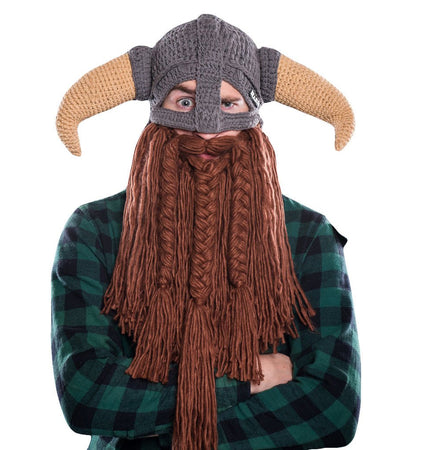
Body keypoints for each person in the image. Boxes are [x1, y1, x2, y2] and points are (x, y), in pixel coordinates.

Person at [52, 14, 360, 449]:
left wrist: (157, 419)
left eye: (229, 104)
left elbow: (333, 408)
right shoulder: (94, 229)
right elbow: (86, 395)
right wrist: (252, 379)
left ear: (253, 116)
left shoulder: (308, 234)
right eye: (185, 102)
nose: (207, 129)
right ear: (156, 112)